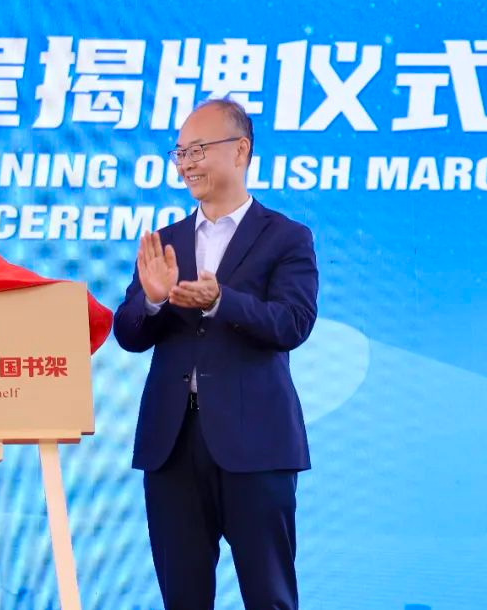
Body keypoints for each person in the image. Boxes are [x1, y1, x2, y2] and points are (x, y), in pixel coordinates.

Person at [113, 98, 318, 609]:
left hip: (257, 446)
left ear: (241, 151)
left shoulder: (286, 237)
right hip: (172, 445)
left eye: (198, 150)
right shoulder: (165, 242)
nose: (186, 164)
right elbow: (128, 333)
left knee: (269, 597)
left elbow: (293, 323)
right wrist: (154, 300)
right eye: (180, 153)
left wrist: (222, 300)